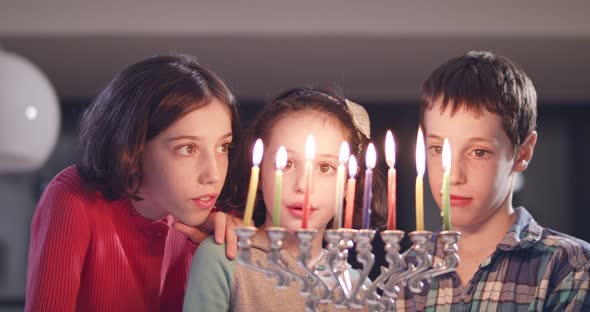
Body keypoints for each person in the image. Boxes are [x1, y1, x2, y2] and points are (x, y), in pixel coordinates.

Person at [26, 54, 242, 311]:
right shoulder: (74, 197)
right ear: (134, 145)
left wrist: (228, 264)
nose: (213, 175)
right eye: (187, 149)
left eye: (223, 147)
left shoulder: (217, 228)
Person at [395, 51, 590, 311]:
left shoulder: (570, 267)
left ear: (522, 153)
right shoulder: (404, 272)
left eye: (479, 152)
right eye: (438, 149)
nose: (452, 176)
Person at [183, 87, 387, 311]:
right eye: (287, 164)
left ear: (349, 184)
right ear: (259, 175)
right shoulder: (223, 258)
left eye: (325, 167)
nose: (303, 185)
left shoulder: (359, 288)